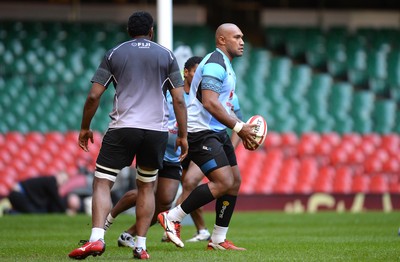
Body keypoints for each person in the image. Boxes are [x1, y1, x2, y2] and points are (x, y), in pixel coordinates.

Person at [68, 11, 188, 260]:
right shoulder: (166, 55)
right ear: (151, 31)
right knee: (146, 186)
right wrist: (183, 135)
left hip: (123, 127)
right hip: (156, 130)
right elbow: (178, 98)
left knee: (102, 181)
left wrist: (85, 127)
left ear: (128, 31)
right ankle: (141, 245)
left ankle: (97, 239)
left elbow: (93, 96)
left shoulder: (115, 53)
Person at [157, 23, 257, 251]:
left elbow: (224, 104)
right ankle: (172, 216)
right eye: (237, 37)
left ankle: (218, 239)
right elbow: (210, 102)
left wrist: (240, 129)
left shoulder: (226, 65)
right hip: (200, 131)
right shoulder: (215, 63)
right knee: (223, 182)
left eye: (242, 37)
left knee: (234, 181)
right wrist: (240, 127)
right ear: (222, 40)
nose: (242, 41)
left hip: (216, 130)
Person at [101, 56, 202, 249]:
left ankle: (128, 235)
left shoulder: (201, 98)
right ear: (186, 73)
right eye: (196, 72)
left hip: (174, 156)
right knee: (144, 192)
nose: (200, 77)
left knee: (165, 203)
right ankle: (109, 219)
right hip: (155, 147)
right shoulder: (172, 92)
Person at [175, 92, 243, 243]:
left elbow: (238, 120)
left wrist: (226, 152)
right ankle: (183, 223)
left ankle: (183, 222)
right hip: (193, 139)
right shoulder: (182, 95)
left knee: (191, 182)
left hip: (211, 142)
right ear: (187, 73)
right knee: (175, 191)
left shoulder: (229, 94)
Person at [7, 172, 82, 215]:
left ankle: (11, 212)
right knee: (33, 213)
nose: (63, 182)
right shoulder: (51, 181)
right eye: (63, 179)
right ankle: (10, 212)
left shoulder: (49, 181)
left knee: (35, 211)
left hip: (19, 195)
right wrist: (65, 211)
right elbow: (56, 198)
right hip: (17, 194)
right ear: (58, 176)